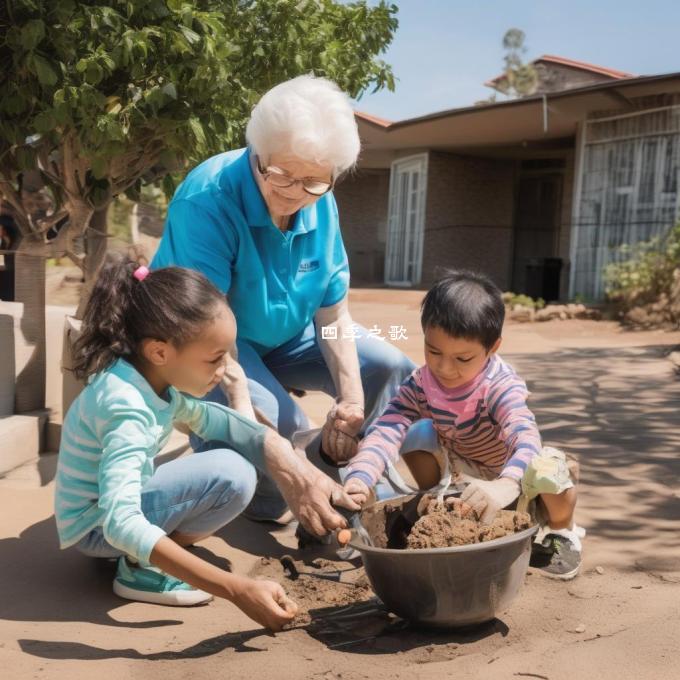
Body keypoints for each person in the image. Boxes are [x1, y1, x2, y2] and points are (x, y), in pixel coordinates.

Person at [151, 75, 416, 521]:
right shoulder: (207, 201)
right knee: (287, 435)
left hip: (288, 336)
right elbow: (207, 335)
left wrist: (351, 401)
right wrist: (288, 450)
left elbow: (333, 313)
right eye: (281, 176)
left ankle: (369, 480)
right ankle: (277, 488)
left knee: (391, 367)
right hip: (211, 344)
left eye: (314, 182)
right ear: (257, 153)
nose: (296, 194)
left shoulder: (320, 201)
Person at [54, 254, 358, 629]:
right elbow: (120, 521)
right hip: (97, 526)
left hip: (105, 511)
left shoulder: (148, 380)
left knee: (236, 471)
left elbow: (217, 422)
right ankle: (138, 568)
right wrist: (235, 589)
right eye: (215, 358)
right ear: (160, 351)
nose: (225, 369)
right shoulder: (127, 409)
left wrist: (296, 466)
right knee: (229, 473)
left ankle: (149, 555)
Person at [343, 269, 583, 580]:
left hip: (515, 483)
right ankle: (435, 503)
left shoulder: (499, 386)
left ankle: (563, 532)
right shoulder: (421, 383)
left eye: (463, 359)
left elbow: (526, 439)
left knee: (548, 467)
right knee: (417, 431)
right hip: (465, 475)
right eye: (433, 351)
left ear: (492, 347)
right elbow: (388, 427)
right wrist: (360, 477)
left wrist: (504, 486)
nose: (444, 368)